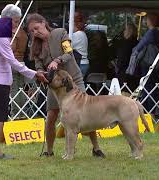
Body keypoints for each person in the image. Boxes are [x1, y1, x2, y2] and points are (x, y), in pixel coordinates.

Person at [26, 13, 105, 158]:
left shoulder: (60, 33)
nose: (35, 32)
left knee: (88, 113)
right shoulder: (36, 46)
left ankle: (96, 148)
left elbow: (69, 52)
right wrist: (40, 72)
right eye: (32, 31)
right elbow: (37, 63)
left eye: (36, 28)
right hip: (55, 85)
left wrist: (57, 60)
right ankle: (49, 151)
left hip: (73, 79)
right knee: (51, 117)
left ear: (43, 23)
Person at [0, 5, 48, 160]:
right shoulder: (1, 35)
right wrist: (34, 73)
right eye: (16, 21)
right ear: (8, 19)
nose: (17, 25)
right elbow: (12, 61)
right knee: (0, 117)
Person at [8, 6, 29, 119]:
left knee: (14, 89)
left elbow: (12, 48)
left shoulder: (14, 33)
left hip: (14, 62)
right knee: (21, 88)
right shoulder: (24, 34)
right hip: (22, 62)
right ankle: (22, 112)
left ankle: (15, 113)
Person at [72, 12, 89, 77]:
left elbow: (66, 46)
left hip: (80, 63)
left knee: (77, 84)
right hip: (84, 63)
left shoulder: (77, 34)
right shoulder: (82, 34)